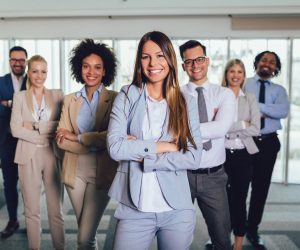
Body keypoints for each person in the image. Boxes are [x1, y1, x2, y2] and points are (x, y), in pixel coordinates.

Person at [107, 31, 202, 250]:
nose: (153, 63)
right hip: (134, 207)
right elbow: (115, 147)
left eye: (160, 55)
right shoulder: (127, 95)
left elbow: (194, 157)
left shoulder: (186, 101)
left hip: (177, 209)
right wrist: (166, 146)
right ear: (139, 61)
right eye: (145, 56)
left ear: (170, 59)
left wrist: (145, 157)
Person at [55, 39, 118, 250]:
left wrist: (78, 136)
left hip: (102, 172)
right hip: (74, 170)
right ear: (79, 68)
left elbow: (112, 138)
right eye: (86, 66)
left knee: (83, 237)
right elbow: (61, 140)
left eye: (97, 67)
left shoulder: (116, 99)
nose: (91, 72)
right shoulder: (70, 100)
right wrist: (94, 140)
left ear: (104, 71)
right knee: (86, 233)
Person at [180, 40, 235, 250]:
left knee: (222, 237)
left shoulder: (224, 94)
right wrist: (209, 125)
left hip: (214, 177)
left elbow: (220, 129)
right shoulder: (175, 96)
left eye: (200, 59)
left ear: (208, 61)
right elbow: (170, 133)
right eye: (189, 61)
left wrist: (184, 130)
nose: (196, 65)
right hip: (180, 175)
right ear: (184, 65)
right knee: (175, 236)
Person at [10, 55, 64, 250]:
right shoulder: (20, 97)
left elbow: (61, 125)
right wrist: (43, 133)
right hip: (27, 156)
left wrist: (33, 126)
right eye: (35, 71)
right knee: (31, 211)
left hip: (52, 155)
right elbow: (15, 129)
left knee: (56, 210)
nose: (39, 76)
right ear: (28, 72)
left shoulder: (57, 95)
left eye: (43, 71)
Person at [244, 51, 289, 249]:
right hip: (244, 141)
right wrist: (267, 108)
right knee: (237, 187)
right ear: (256, 63)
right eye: (264, 60)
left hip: (269, 143)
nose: (267, 64)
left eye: (272, 62)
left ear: (276, 68)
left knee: (260, 188)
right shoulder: (244, 83)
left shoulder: (279, 90)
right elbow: (239, 109)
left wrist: (256, 106)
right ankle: (227, 227)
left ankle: (252, 229)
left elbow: (283, 111)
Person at [221, 59, 260, 250]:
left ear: (244, 76)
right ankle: (220, 239)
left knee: (239, 199)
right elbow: (215, 128)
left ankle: (237, 245)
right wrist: (240, 125)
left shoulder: (249, 98)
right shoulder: (218, 95)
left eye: (240, 72)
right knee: (222, 201)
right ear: (226, 74)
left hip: (244, 155)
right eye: (232, 71)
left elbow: (256, 129)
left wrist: (229, 129)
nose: (236, 75)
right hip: (221, 155)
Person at [0, 46, 27, 239]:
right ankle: (13, 220)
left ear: (26, 61)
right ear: (9, 61)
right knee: (10, 182)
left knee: (29, 183)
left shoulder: (34, 80)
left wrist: (9, 103)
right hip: (6, 140)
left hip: (27, 140)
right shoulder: (0, 82)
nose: (17, 63)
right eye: (14, 59)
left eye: (21, 59)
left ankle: (32, 219)